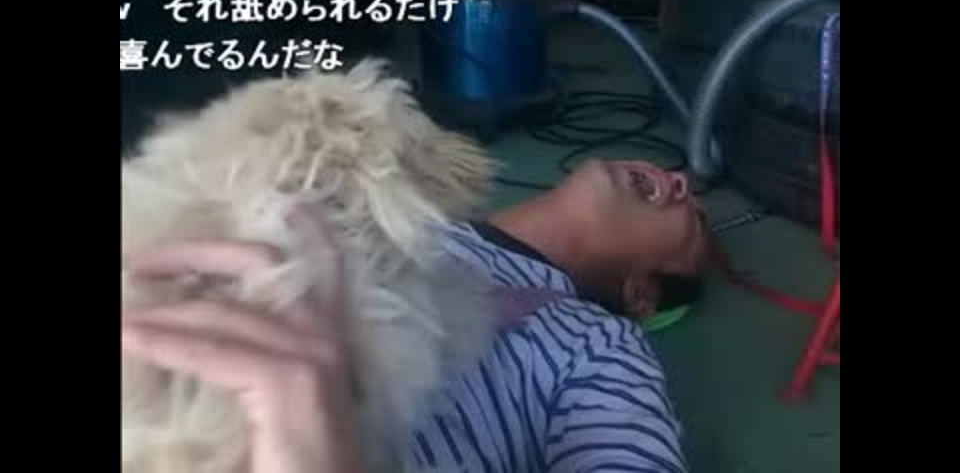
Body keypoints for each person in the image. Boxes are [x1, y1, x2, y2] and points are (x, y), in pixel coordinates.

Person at [121, 158, 708, 473]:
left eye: (696, 225)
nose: (682, 180)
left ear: (641, 295)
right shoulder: (394, 198)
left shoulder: (597, 342)